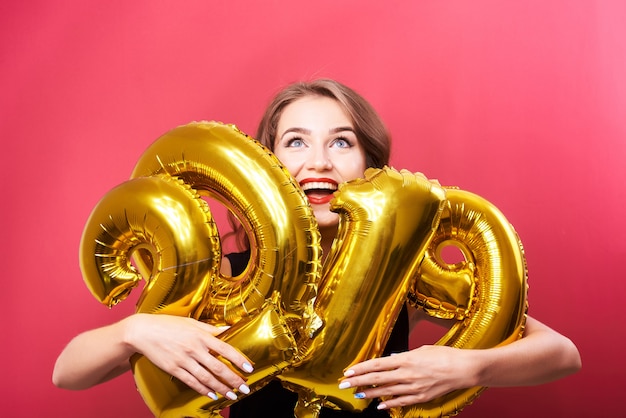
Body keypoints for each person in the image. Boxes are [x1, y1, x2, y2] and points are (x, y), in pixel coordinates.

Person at [53, 79, 582, 417]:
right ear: (266, 169)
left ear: (369, 165)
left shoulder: (405, 278)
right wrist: (135, 330)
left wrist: (469, 367)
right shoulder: (222, 279)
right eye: (297, 141)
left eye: (342, 142)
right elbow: (67, 372)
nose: (320, 162)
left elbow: (563, 354)